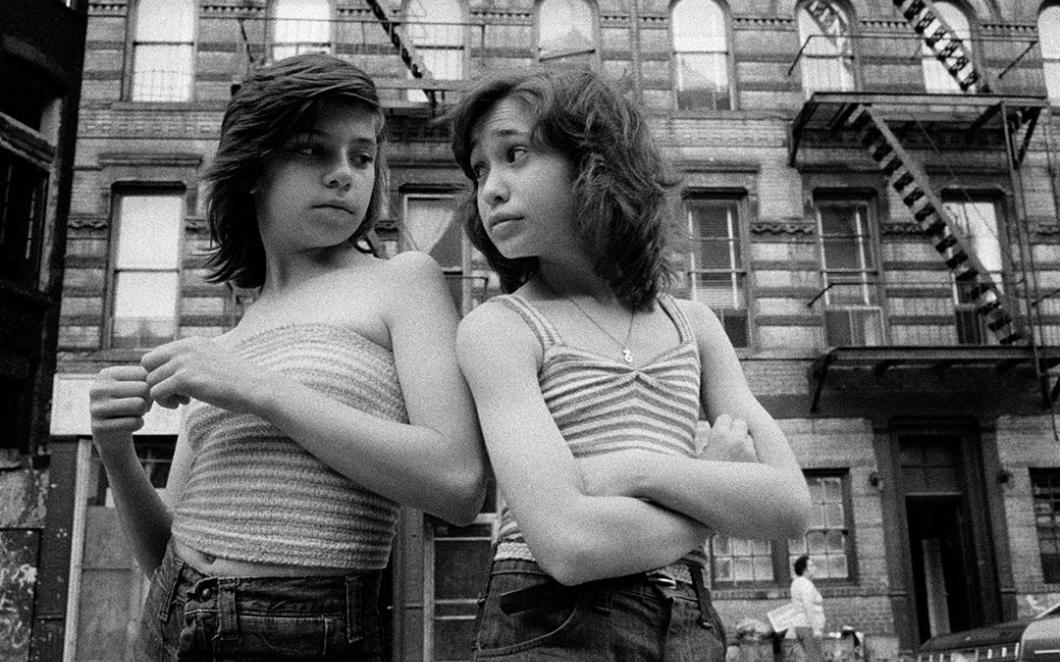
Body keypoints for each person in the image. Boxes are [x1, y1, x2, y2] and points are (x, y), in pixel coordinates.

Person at [89, 53, 485, 661]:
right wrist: (116, 451)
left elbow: (458, 483)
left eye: (361, 155)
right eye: (311, 150)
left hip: (308, 628)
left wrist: (259, 389)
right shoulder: (231, 336)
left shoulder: (403, 281)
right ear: (253, 168)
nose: (344, 174)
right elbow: (163, 552)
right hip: (169, 617)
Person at [449, 67, 812, 661]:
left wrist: (639, 468)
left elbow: (788, 505)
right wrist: (711, 485)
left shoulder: (693, 326)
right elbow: (569, 545)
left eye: (515, 154)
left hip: (688, 616)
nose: (490, 188)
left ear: (596, 164)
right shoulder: (500, 329)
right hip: (552, 617)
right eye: (480, 168)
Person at [789, 555, 826, 662]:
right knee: (815, 658)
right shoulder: (806, 585)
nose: (815, 568)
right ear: (804, 569)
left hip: (800, 625)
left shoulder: (796, 583)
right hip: (808, 627)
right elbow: (808, 606)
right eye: (811, 566)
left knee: (808, 657)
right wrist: (815, 629)